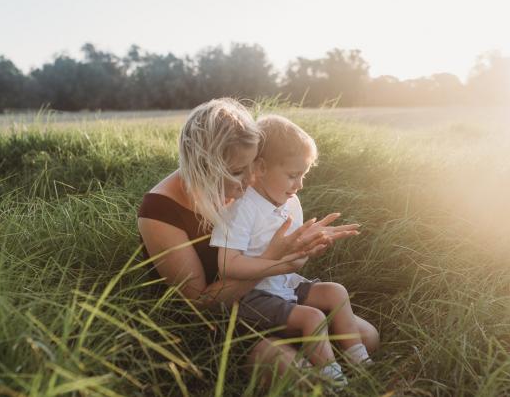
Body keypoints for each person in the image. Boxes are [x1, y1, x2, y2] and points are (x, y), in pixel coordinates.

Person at [137, 98, 379, 384]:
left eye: (253, 166)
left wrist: (301, 246)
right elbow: (200, 304)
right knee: (299, 377)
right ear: (206, 165)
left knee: (368, 338)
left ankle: (310, 349)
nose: (250, 179)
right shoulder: (160, 211)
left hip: (270, 293)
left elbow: (279, 247)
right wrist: (274, 260)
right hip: (224, 320)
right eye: (239, 171)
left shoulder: (247, 186)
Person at [210, 114, 373, 386]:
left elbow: (292, 257)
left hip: (284, 285)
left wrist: (307, 247)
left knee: (336, 292)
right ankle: (335, 382)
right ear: (260, 168)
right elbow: (227, 265)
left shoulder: (290, 201)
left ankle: (363, 366)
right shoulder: (241, 207)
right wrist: (279, 265)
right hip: (252, 296)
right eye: (292, 175)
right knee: (313, 317)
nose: (299, 185)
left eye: (304, 175)